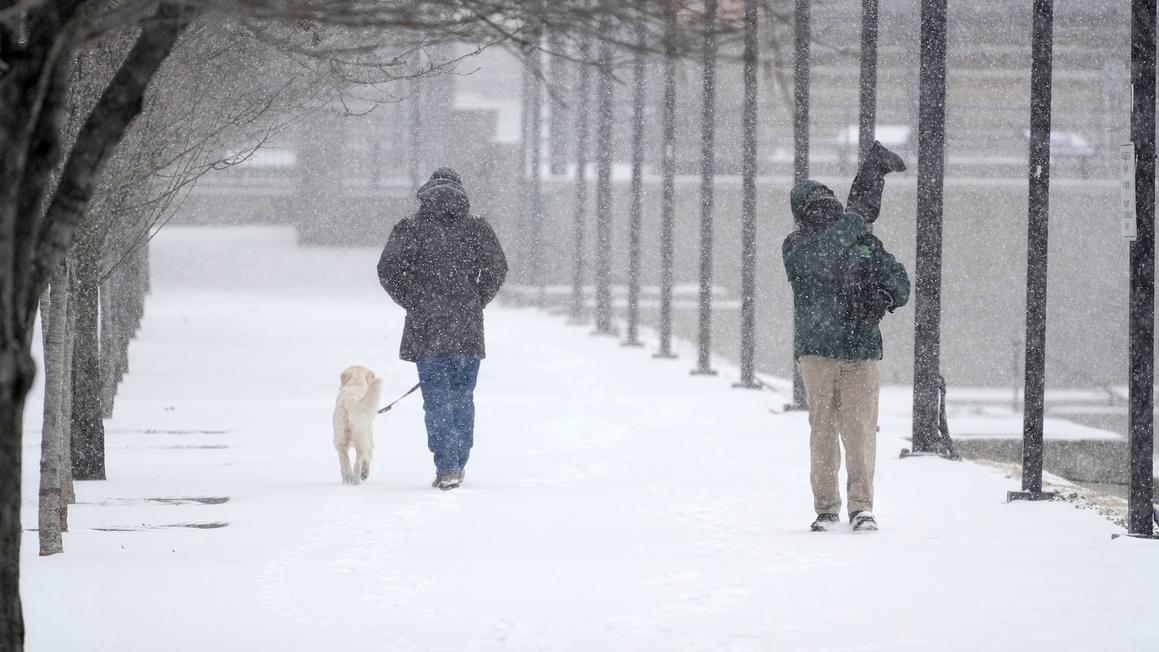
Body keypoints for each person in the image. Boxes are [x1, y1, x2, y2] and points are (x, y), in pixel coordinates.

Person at [782, 141, 910, 532]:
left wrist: (884, 295)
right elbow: (823, 255)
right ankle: (826, 507)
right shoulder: (796, 246)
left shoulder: (861, 241)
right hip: (819, 352)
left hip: (860, 349)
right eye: (816, 206)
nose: (825, 210)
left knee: (860, 431)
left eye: (828, 202)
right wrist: (855, 220)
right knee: (824, 430)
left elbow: (901, 281)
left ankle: (860, 507)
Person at [378, 168, 508, 490]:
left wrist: (413, 300)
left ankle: (447, 466)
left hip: (427, 328)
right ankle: (458, 462)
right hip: (466, 328)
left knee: (436, 400)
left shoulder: (410, 228)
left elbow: (387, 270)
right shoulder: (477, 228)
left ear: (427, 192)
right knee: (462, 396)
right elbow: (497, 267)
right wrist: (476, 298)